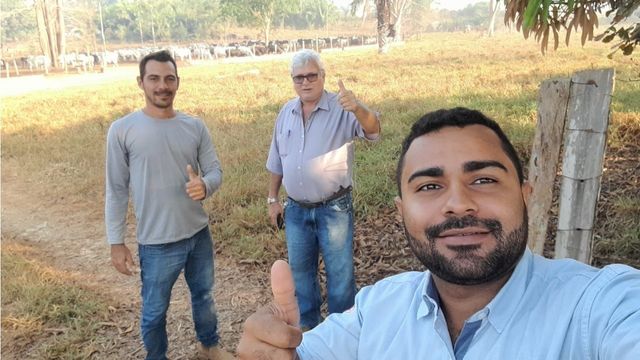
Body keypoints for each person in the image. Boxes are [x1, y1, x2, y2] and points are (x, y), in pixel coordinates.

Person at [238, 107, 640, 359]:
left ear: (525, 196)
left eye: (483, 179)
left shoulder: (597, 310)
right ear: (401, 213)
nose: (459, 204)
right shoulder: (376, 311)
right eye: (429, 187)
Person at [105, 50, 233, 360]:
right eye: (154, 79)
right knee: (154, 311)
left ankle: (209, 346)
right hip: (156, 243)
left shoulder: (194, 126)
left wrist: (206, 185)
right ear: (141, 83)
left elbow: (215, 170)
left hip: (198, 234)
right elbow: (116, 189)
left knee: (203, 296)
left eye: (169, 79)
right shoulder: (122, 130)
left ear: (177, 82)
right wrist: (116, 242)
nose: (163, 86)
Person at [265, 49, 381, 330]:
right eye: (298, 77)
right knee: (301, 276)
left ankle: (344, 333)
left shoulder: (342, 107)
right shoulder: (286, 112)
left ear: (323, 76)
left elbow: (374, 131)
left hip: (333, 208)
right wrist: (272, 199)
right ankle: (311, 332)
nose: (305, 82)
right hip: (295, 210)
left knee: (340, 277)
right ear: (293, 81)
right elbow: (277, 160)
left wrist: (359, 108)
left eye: (311, 75)